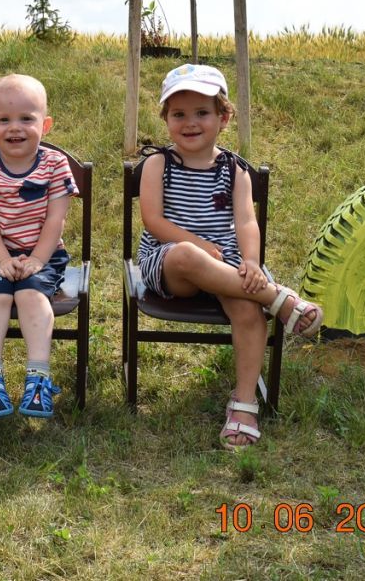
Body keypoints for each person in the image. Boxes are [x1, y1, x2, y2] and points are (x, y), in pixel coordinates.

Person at [137, 64, 322, 449]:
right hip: (171, 264)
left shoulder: (235, 170)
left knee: (247, 310)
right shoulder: (158, 164)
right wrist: (198, 245)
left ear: (223, 117)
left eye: (202, 113)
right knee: (187, 255)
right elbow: (153, 220)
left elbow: (246, 222)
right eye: (178, 114)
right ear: (166, 119)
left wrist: (251, 261)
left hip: (229, 265)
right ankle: (277, 299)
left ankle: (244, 403)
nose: (190, 122)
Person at [0, 74, 77, 419]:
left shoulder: (55, 164)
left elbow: (56, 219)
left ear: (46, 124)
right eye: (4, 120)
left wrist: (39, 259)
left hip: (44, 252)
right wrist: (0, 260)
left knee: (31, 296)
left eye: (27, 118)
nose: (15, 128)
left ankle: (38, 378)